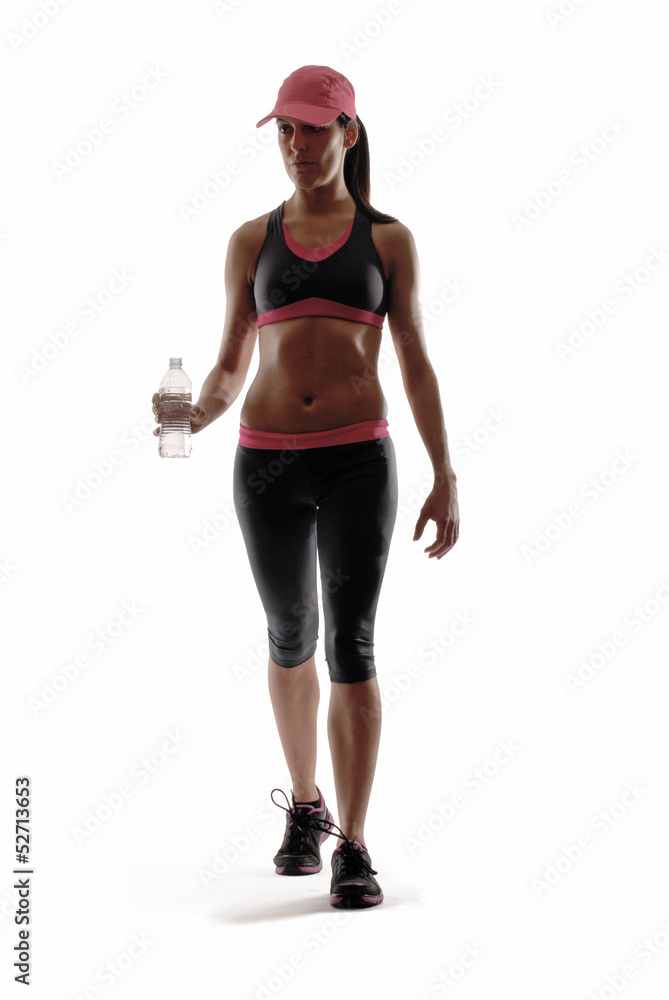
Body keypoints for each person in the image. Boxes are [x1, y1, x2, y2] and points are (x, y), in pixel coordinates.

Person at [152, 65, 459, 909]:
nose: (296, 144)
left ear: (348, 134)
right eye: (285, 129)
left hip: (360, 457)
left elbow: (417, 365)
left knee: (350, 644)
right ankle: (307, 809)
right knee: (289, 634)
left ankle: (355, 847)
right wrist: (192, 415)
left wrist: (445, 474)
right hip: (267, 462)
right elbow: (224, 368)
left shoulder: (387, 239)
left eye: (313, 128)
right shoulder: (249, 241)